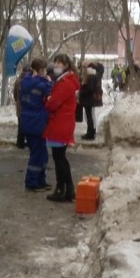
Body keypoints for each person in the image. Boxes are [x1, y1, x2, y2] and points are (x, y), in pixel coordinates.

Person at [44, 53, 80, 202]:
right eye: (56, 62)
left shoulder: (65, 83)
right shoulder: (66, 80)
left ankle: (62, 189)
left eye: (59, 63)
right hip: (64, 122)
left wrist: (47, 99)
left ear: (66, 65)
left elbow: (53, 104)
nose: (56, 65)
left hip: (60, 122)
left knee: (59, 158)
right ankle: (68, 188)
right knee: (60, 157)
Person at [20, 58, 52, 191]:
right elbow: (51, 89)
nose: (45, 72)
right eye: (43, 70)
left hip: (28, 121)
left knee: (40, 153)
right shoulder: (41, 84)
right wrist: (49, 81)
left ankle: (40, 180)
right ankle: (32, 182)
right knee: (37, 154)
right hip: (37, 122)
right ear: (37, 71)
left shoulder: (25, 82)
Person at [79, 61, 100, 140]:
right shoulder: (93, 75)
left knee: (89, 117)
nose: (83, 69)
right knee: (89, 116)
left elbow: (90, 89)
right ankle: (90, 132)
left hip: (89, 100)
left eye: (84, 67)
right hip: (89, 100)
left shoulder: (90, 76)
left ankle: (90, 133)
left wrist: (82, 92)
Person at [14, 64, 31, 148]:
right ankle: (28, 141)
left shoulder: (18, 80)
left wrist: (17, 100)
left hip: (20, 106)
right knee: (28, 124)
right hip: (28, 106)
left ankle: (20, 142)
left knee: (20, 126)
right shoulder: (31, 80)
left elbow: (15, 94)